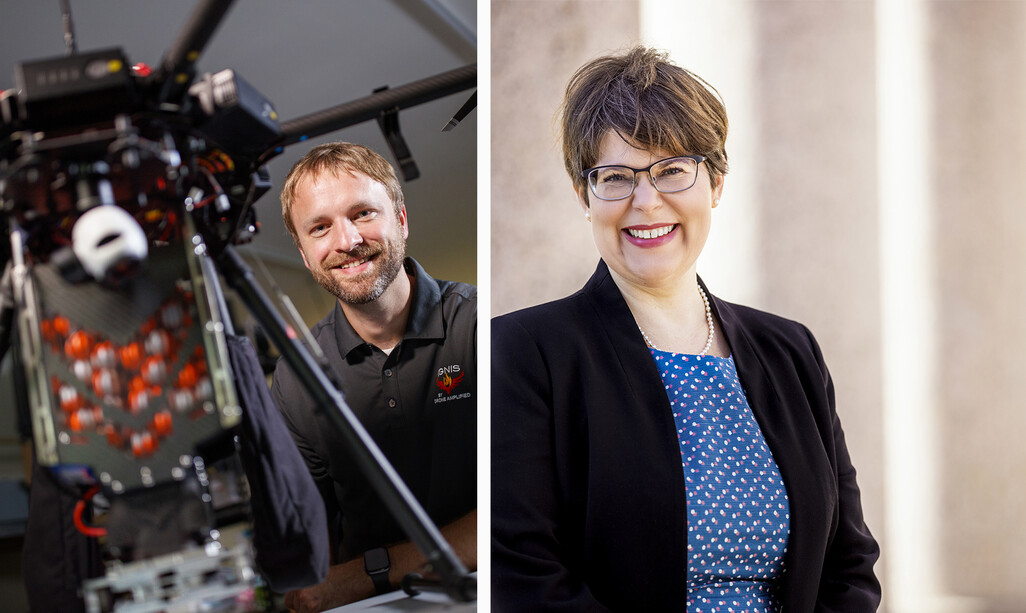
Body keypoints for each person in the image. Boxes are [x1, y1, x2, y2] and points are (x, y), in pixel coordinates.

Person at [491, 46, 880, 612]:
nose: (646, 202)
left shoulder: (791, 351)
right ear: (585, 195)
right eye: (615, 177)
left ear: (716, 182)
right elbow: (524, 575)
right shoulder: (525, 353)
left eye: (672, 170)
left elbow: (850, 564)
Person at [271, 142, 477, 612]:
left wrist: (373, 569)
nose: (345, 242)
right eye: (320, 228)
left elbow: (517, 508)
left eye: (363, 213)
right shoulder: (296, 377)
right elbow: (308, 547)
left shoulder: (480, 327)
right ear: (305, 254)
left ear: (401, 220)